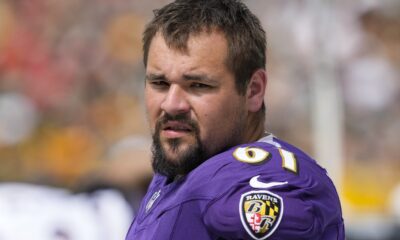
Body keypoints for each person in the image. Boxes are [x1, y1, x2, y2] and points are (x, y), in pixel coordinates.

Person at [126, 0, 345, 239]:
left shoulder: (266, 182)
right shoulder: (180, 169)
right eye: (160, 83)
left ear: (253, 90)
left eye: (198, 85)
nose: (171, 104)